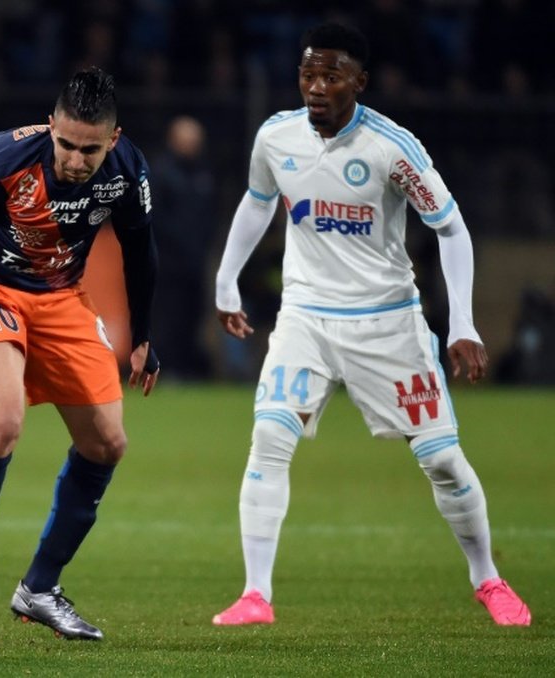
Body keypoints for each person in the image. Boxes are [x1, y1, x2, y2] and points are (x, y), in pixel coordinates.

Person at [210, 23, 531, 627]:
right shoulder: (276, 137)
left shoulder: (392, 148)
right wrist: (227, 280)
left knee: (440, 459)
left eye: (331, 75)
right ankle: (256, 595)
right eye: (308, 74)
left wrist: (463, 321)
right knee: (270, 439)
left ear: (359, 81)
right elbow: (257, 201)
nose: (316, 86)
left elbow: (451, 228)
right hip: (305, 316)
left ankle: (488, 579)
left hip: (387, 324)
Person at [0, 67, 160, 649]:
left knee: (107, 443)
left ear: (112, 139)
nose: (76, 159)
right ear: (51, 125)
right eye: (66, 144)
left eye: (90, 148)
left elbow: (140, 247)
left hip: (60, 296)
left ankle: (40, 588)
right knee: (3, 421)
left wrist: (143, 336)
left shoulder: (127, 170)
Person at [150, 115, 217, 380]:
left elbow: (211, 214)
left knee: (194, 313)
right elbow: (156, 217)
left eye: (196, 141)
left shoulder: (204, 173)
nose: (192, 145)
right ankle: (166, 368)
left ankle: (187, 367)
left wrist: (202, 245)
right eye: (187, 140)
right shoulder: (161, 173)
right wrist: (180, 244)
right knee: (168, 315)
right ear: (173, 140)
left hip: (196, 261)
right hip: (169, 262)